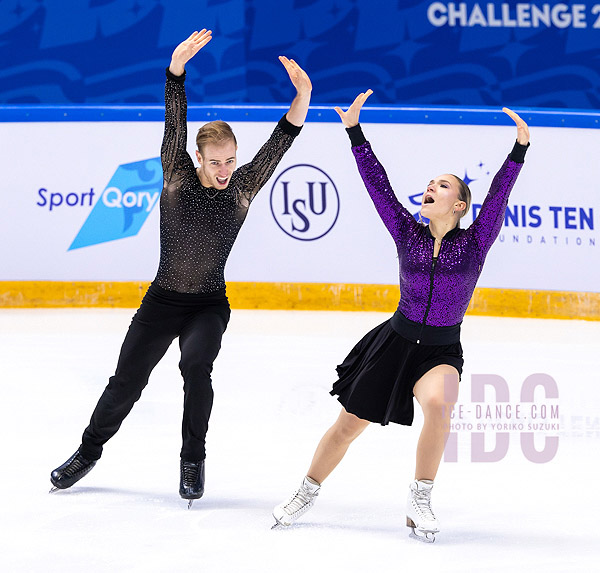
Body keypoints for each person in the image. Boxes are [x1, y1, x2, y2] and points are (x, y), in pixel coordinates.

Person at [50, 29, 312, 507]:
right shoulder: (175, 173)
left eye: (231, 160)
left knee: (197, 365)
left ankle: (193, 459)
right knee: (126, 382)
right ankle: (86, 453)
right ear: (198, 157)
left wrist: (304, 95)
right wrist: (176, 69)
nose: (226, 169)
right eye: (216, 161)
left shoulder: (242, 187)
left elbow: (283, 138)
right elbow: (175, 119)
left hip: (208, 305)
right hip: (162, 301)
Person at [272, 91, 530, 541]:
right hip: (394, 341)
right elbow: (378, 185)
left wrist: (519, 150)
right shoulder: (406, 232)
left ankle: (421, 496)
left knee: (438, 404)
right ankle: (305, 491)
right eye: (430, 183)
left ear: (460, 205)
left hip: (441, 349)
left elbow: (499, 197)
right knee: (348, 426)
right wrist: (355, 132)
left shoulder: (476, 242)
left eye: (443, 186)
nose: (431, 188)